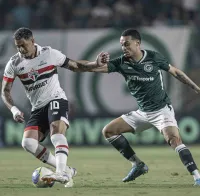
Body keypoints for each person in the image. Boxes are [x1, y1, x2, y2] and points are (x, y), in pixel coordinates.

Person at [87, 28, 200, 186]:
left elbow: (176, 72)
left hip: (162, 110)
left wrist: (196, 88)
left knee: (174, 140)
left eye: (126, 44)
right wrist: (94, 63)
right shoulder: (121, 62)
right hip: (143, 113)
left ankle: (197, 177)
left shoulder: (153, 57)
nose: (123, 48)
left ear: (137, 43)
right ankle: (138, 164)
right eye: (121, 45)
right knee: (108, 131)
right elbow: (92, 69)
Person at [1, 27, 108, 187]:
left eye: (23, 45)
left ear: (33, 41)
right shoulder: (14, 63)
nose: (21, 50)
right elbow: (5, 91)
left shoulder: (49, 54)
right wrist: (14, 109)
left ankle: (60, 174)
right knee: (28, 143)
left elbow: (75, 65)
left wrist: (94, 64)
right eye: (17, 46)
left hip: (56, 99)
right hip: (37, 108)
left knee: (56, 133)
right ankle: (67, 170)